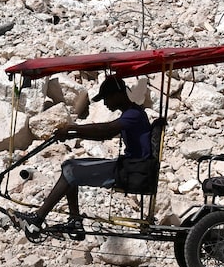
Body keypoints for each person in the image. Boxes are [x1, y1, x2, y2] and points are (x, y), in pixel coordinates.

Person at [14, 75, 152, 240]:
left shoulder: (133, 115)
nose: (105, 103)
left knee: (71, 170)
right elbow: (104, 134)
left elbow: (106, 129)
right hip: (131, 167)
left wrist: (73, 128)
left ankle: (38, 218)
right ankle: (75, 221)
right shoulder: (133, 113)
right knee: (69, 166)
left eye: (106, 98)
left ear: (117, 94)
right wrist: (72, 133)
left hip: (132, 171)